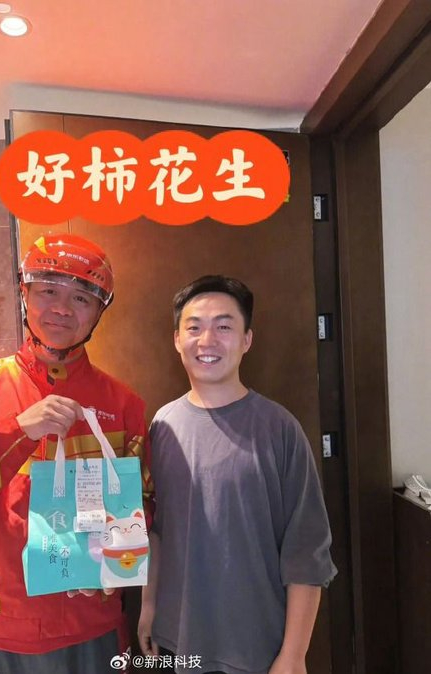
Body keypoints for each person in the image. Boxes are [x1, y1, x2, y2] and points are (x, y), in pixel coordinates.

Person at [0, 234, 151, 674]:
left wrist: (108, 558)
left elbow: (143, 508)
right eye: (49, 291)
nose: (62, 308)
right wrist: (17, 430)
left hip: (93, 626)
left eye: (81, 298)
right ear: (24, 292)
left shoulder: (124, 406)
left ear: (99, 311)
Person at [138, 275, 336, 674]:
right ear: (177, 339)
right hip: (176, 641)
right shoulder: (162, 426)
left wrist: (294, 655)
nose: (207, 340)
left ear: (247, 340)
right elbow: (156, 529)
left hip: (258, 648)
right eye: (194, 327)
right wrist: (149, 607)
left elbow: (306, 552)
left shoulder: (280, 429)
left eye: (224, 327)